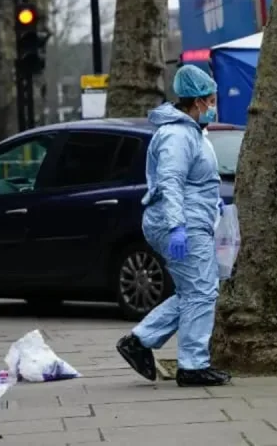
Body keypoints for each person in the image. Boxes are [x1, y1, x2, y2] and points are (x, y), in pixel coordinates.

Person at [116, 65, 230, 387]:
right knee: (201, 292)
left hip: (192, 219)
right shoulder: (177, 135)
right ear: (196, 102)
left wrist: (212, 202)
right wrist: (178, 226)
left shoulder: (191, 131)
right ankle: (192, 366)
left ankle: (139, 341)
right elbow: (170, 182)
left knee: (196, 291)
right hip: (182, 224)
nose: (213, 105)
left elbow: (195, 179)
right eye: (210, 100)